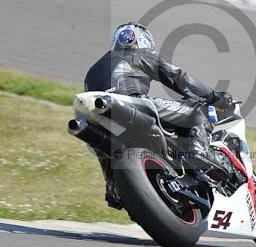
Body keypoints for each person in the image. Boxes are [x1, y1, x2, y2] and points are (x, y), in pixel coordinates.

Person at [84, 22, 234, 207]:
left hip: (100, 117)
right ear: (144, 40)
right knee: (196, 110)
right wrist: (215, 97)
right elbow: (178, 77)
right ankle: (199, 153)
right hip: (134, 104)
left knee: (104, 147)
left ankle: (112, 184)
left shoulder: (93, 70)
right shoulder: (140, 53)